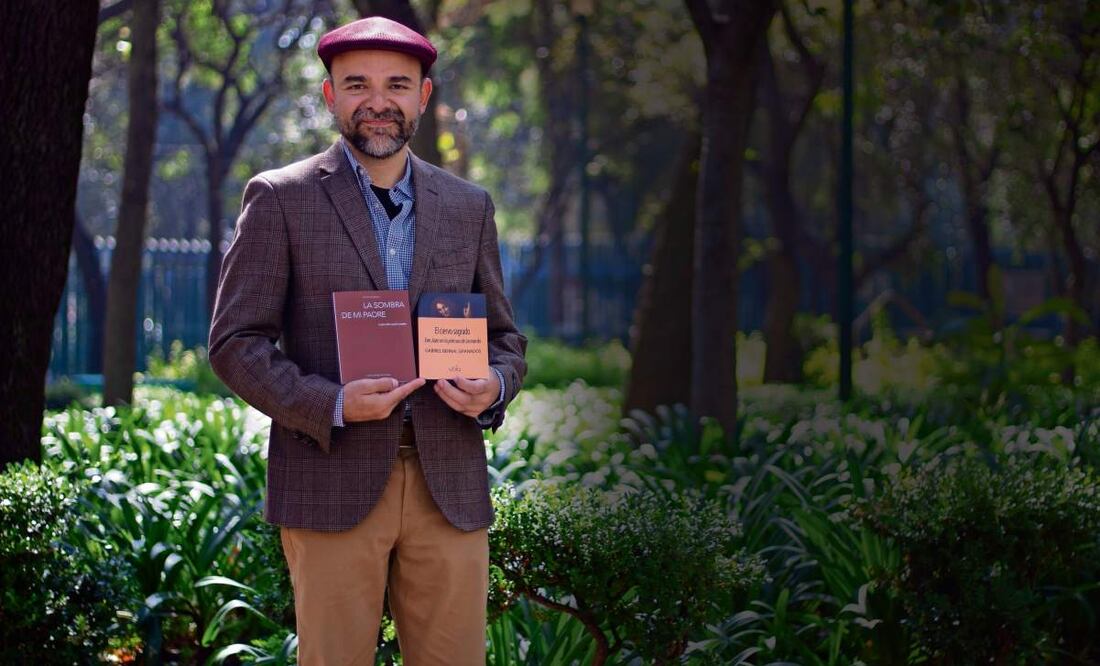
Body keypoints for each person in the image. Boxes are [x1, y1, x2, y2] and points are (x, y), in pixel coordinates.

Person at [208, 15, 527, 665]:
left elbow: (505, 338)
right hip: (331, 480)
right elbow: (235, 340)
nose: (378, 102)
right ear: (330, 95)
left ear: (424, 97)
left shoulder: (469, 206)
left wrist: (493, 385)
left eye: (397, 85)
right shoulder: (281, 198)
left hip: (450, 486)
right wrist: (330, 402)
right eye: (357, 84)